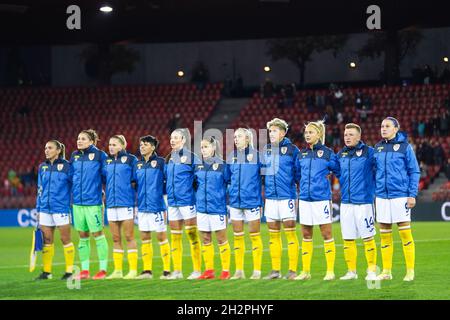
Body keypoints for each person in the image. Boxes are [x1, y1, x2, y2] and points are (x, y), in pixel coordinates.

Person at [373, 117, 420, 281]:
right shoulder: (377, 148)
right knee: (384, 234)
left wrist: (412, 194)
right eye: (381, 126)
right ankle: (386, 271)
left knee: (405, 234)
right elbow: (373, 172)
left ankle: (410, 271)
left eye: (387, 126)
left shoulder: (405, 147)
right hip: (381, 196)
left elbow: (414, 171)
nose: (383, 128)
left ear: (396, 129)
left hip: (400, 195)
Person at [295, 120, 340, 281]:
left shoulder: (328, 153)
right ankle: (305, 271)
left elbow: (338, 171)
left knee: (326, 233)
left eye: (311, 132)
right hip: (305, 199)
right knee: (306, 234)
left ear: (319, 134)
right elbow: (297, 175)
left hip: (321, 199)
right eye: (306, 132)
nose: (307, 135)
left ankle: (330, 271)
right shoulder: (301, 154)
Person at [336, 123, 378, 281]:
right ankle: (351, 271)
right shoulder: (341, 154)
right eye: (346, 135)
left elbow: (380, 171)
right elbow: (337, 172)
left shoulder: (369, 153)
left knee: (367, 237)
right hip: (346, 202)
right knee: (347, 238)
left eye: (351, 134)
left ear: (359, 136)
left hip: (364, 203)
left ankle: (372, 270)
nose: (347, 137)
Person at [262, 118, 300, 280]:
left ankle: (292, 271)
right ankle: (275, 270)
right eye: (270, 131)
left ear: (283, 133)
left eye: (275, 131)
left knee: (290, 233)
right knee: (273, 235)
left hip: (287, 196)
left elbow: (298, 173)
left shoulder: (293, 150)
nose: (271, 134)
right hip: (270, 197)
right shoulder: (266, 150)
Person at [70, 129, 109, 280]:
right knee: (82, 235)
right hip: (77, 202)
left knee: (98, 234)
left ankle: (103, 270)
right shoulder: (74, 156)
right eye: (78, 138)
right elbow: (70, 176)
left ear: (92, 141)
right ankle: (85, 271)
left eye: (83, 139)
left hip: (93, 201)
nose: (79, 141)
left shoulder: (100, 155)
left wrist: (104, 191)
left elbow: (107, 175)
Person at [165, 128, 202, 280]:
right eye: (171, 138)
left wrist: (192, 193)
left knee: (192, 234)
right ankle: (177, 271)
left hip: (187, 201)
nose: (172, 140)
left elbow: (199, 179)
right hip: (172, 202)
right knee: (175, 236)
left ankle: (197, 270)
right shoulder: (169, 158)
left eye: (176, 138)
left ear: (184, 140)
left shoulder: (192, 157)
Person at [35, 140, 74, 280]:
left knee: (65, 239)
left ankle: (69, 271)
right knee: (47, 240)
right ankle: (47, 272)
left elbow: (75, 184)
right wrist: (38, 209)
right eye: (45, 148)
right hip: (45, 208)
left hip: (61, 208)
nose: (46, 150)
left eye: (50, 148)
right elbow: (39, 189)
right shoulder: (42, 167)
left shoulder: (67, 167)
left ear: (58, 150)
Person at [133, 135, 172, 280]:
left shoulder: (161, 162)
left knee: (161, 237)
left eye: (145, 144)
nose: (142, 146)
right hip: (142, 206)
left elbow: (168, 179)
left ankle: (167, 270)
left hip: (157, 207)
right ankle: (147, 271)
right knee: (144, 238)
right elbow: (135, 183)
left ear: (153, 147)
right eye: (141, 144)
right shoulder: (137, 164)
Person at [227, 128, 263, 280]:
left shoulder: (257, 156)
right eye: (235, 137)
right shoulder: (231, 157)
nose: (236, 139)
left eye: (239, 136)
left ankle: (257, 271)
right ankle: (239, 271)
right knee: (237, 236)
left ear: (248, 139)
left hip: (252, 201)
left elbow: (264, 178)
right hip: (235, 202)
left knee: (254, 235)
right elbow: (228, 178)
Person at [194, 137, 231, 280]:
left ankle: (226, 271)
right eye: (202, 147)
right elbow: (195, 184)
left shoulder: (222, 165)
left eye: (206, 147)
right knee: (205, 239)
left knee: (221, 239)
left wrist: (222, 197)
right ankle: (209, 270)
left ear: (213, 148)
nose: (203, 150)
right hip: (202, 208)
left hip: (217, 208)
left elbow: (230, 183)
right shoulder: (198, 166)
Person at [103, 135, 138, 280]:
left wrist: (131, 196)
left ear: (123, 145)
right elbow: (105, 180)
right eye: (110, 144)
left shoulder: (131, 160)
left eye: (114, 144)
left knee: (129, 236)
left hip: (126, 203)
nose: (111, 147)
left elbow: (136, 181)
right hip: (111, 204)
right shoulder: (107, 161)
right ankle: (117, 270)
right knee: (115, 238)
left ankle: (133, 270)